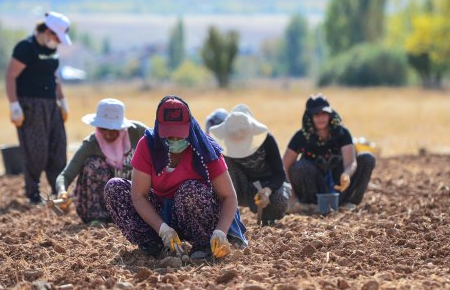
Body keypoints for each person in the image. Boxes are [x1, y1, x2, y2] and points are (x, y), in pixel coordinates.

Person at [104, 96, 247, 259]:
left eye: (180, 135)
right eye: (169, 136)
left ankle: (203, 245)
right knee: (114, 188)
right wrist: (163, 229)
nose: (175, 140)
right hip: (161, 214)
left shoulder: (205, 149)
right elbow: (139, 196)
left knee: (190, 190)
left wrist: (220, 231)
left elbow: (228, 196)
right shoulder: (148, 145)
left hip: (198, 215)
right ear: (159, 129)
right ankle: (157, 247)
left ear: (189, 128)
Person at [5, 11, 72, 204]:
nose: (58, 42)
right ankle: (33, 193)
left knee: (58, 149)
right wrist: (14, 104)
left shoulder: (52, 51)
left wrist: (62, 99)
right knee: (36, 151)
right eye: (57, 37)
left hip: (51, 105)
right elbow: (11, 76)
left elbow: (55, 77)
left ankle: (58, 191)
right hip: (30, 105)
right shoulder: (25, 48)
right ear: (48, 31)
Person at [54, 99, 148, 223]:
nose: (108, 134)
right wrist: (62, 192)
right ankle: (97, 218)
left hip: (131, 198)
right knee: (93, 164)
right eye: (103, 129)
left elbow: (160, 149)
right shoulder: (92, 143)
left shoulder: (138, 133)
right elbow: (66, 175)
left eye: (113, 129)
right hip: (101, 203)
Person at [283, 94, 376, 209]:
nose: (321, 117)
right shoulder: (300, 137)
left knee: (367, 158)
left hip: (339, 188)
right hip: (313, 191)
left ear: (330, 114)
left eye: (324, 113)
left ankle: (348, 203)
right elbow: (285, 166)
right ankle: (310, 206)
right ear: (309, 117)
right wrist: (292, 197)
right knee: (300, 167)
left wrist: (346, 174)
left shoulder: (342, 133)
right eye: (316, 114)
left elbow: (350, 162)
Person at [210, 104, 291, 224]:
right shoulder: (225, 146)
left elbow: (279, 173)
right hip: (244, 187)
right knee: (224, 165)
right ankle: (227, 218)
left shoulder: (267, 140)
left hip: (270, 185)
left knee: (279, 202)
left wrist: (268, 190)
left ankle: (268, 217)